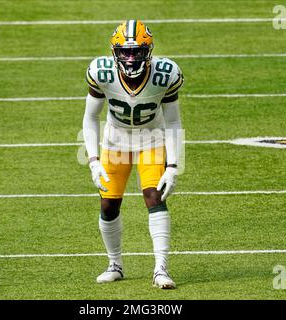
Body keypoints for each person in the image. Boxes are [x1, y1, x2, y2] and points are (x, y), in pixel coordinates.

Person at [82, 20, 183, 289]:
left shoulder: (165, 74)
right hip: (116, 141)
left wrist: (172, 166)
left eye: (136, 51)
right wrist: (93, 161)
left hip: (152, 138)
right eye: (124, 52)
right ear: (114, 52)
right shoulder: (101, 72)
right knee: (108, 204)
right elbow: (90, 118)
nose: (129, 57)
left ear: (147, 50)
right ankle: (114, 264)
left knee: (154, 196)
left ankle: (161, 268)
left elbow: (173, 123)